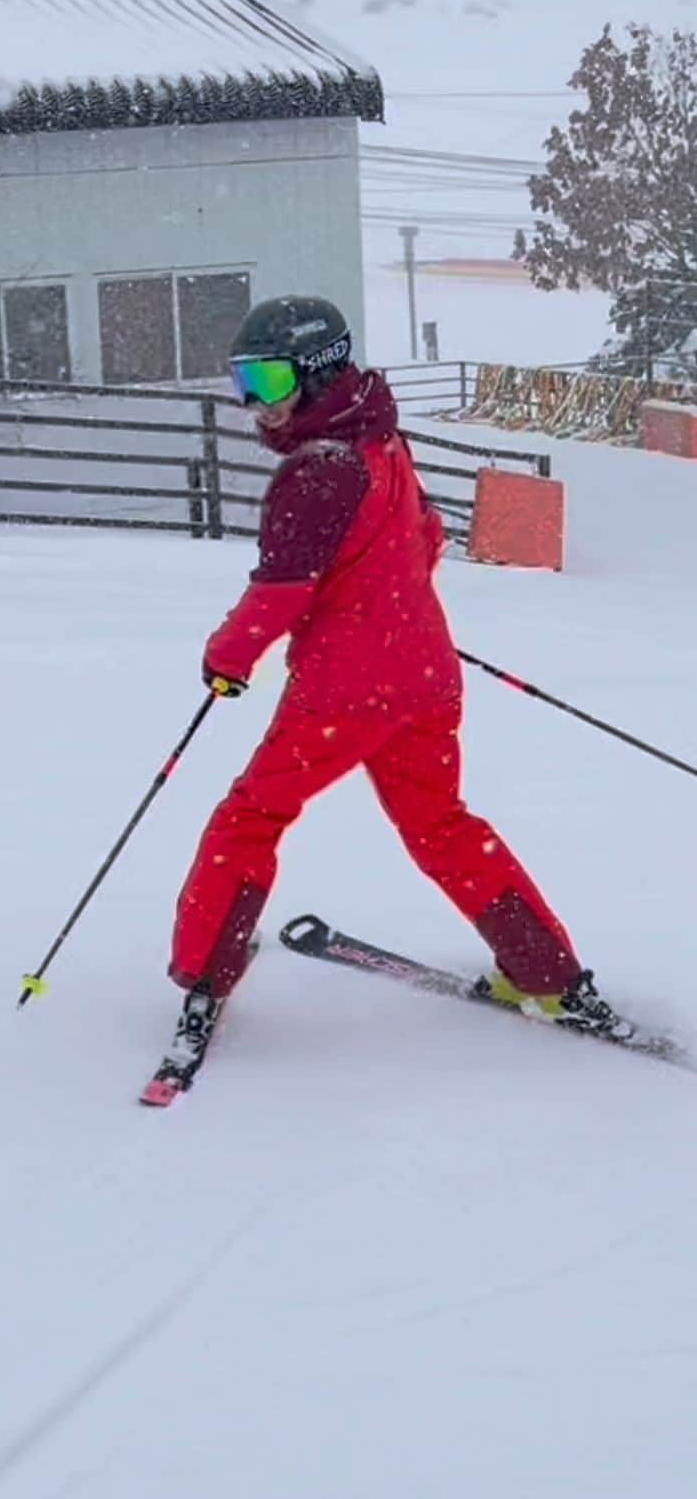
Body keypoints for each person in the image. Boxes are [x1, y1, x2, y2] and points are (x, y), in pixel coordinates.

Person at [164, 295, 618, 1082]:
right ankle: (548, 976)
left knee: (250, 817)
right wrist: (390, 610)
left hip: (343, 696)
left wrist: (226, 657)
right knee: (442, 825)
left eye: (268, 381)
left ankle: (205, 975)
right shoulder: (381, 442)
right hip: (425, 678)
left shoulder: (316, 472)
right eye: (243, 382)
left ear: (315, 374)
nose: (253, 405)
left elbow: (279, 594)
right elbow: (426, 536)